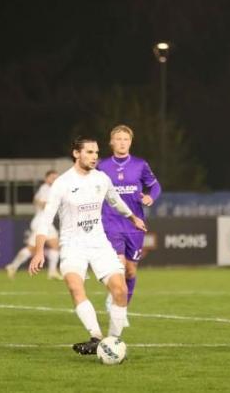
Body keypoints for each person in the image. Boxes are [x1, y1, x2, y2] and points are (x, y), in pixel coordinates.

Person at [28, 137, 146, 356]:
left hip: (99, 244)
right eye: (89, 152)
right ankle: (96, 337)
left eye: (96, 153)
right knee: (75, 287)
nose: (94, 157)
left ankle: (112, 341)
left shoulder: (102, 178)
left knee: (120, 291)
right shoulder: (62, 183)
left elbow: (114, 200)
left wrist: (132, 217)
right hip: (72, 246)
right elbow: (46, 219)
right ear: (76, 153)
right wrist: (38, 252)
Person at [97, 124, 161, 315]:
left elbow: (155, 186)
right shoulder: (102, 166)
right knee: (119, 266)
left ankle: (122, 306)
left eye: (126, 139)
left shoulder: (140, 165)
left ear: (130, 142)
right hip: (111, 222)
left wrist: (151, 197)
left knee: (131, 271)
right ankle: (117, 304)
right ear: (111, 142)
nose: (122, 142)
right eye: (118, 139)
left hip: (134, 224)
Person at [6, 170, 62, 279]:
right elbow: (41, 203)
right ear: (46, 179)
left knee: (54, 245)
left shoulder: (48, 189)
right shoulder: (46, 188)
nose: (54, 180)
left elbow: (35, 200)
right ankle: (13, 266)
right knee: (32, 248)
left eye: (56, 178)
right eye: (52, 177)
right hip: (41, 222)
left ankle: (52, 272)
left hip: (45, 222)